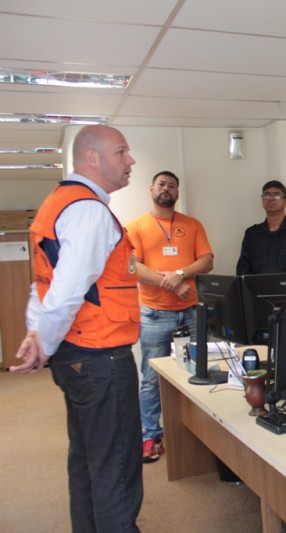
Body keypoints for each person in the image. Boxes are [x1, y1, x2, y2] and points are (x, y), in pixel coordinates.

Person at [11, 125, 143, 531]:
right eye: (121, 152)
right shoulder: (88, 211)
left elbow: (43, 285)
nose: (131, 160)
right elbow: (66, 290)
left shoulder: (57, 203)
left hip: (78, 355)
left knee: (88, 461)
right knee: (115, 467)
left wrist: (38, 336)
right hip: (101, 358)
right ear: (92, 158)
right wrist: (43, 343)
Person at [126, 171, 214, 463]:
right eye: (161, 184)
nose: (166, 189)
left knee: (197, 372)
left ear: (177, 192)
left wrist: (179, 273)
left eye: (172, 186)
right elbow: (134, 268)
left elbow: (207, 261)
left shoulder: (192, 224)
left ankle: (199, 433)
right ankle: (150, 435)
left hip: (191, 312)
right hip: (154, 315)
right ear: (151, 189)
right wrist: (174, 284)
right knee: (152, 378)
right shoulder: (136, 227)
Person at [236, 180, 286, 275]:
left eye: (277, 195)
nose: (271, 198)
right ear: (262, 200)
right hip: (257, 285)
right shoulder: (251, 234)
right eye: (267, 195)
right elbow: (242, 271)